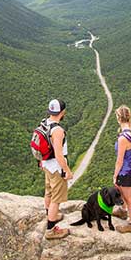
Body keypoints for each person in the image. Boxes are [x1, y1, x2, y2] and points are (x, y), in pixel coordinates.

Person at [42, 99, 73, 240]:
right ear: (62, 112)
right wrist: (67, 170)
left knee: (48, 192)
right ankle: (51, 229)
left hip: (47, 165)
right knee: (56, 198)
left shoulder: (44, 123)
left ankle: (50, 215)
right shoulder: (58, 130)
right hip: (56, 168)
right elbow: (59, 155)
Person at [112, 105, 131, 233]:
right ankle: (122, 211)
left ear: (118, 118)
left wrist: (115, 175)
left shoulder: (123, 138)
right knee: (122, 193)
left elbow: (119, 160)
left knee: (128, 198)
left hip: (125, 172)